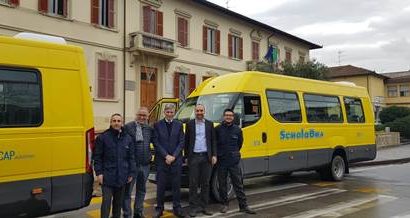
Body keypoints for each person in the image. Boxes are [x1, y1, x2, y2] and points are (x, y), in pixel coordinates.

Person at [93, 113, 136, 218]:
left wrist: (131, 173)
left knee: (118, 204)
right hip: (107, 177)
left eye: (118, 121)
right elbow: (97, 157)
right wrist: (99, 173)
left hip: (122, 177)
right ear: (111, 123)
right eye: (114, 121)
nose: (116, 123)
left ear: (122, 123)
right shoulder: (103, 138)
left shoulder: (128, 138)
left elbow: (131, 157)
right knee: (106, 203)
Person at [215, 109, 256, 215]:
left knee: (238, 184)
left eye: (230, 115)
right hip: (222, 160)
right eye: (227, 115)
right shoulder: (218, 129)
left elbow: (239, 144)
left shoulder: (237, 130)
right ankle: (224, 204)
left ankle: (243, 206)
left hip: (233, 161)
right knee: (222, 184)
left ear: (233, 117)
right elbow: (215, 144)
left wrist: (234, 154)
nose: (228, 117)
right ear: (224, 116)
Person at [153, 104, 185, 218]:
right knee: (161, 186)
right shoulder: (157, 125)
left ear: (174, 113)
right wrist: (166, 156)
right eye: (168, 112)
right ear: (164, 112)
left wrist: (174, 156)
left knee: (176, 186)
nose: (170, 114)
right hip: (162, 161)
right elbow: (156, 142)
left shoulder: (179, 124)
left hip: (176, 161)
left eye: (172, 112)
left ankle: (177, 208)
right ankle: (159, 209)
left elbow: (182, 142)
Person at [122, 107, 155, 218]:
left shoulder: (149, 129)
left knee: (141, 190)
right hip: (132, 166)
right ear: (136, 115)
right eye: (140, 115)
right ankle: (127, 214)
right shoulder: (128, 127)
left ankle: (138, 212)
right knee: (127, 192)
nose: (142, 117)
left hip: (145, 165)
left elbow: (156, 143)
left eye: (144, 115)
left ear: (147, 117)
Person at [185, 104, 217, 217]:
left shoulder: (209, 124)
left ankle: (204, 207)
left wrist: (214, 155)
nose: (199, 112)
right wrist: (186, 157)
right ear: (195, 112)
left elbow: (213, 140)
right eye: (197, 111)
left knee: (205, 184)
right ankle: (193, 208)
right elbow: (186, 141)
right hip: (193, 157)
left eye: (201, 110)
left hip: (206, 158)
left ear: (204, 111)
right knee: (193, 184)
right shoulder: (189, 124)